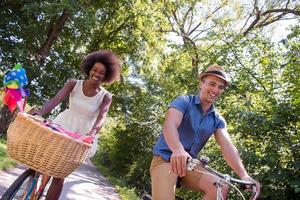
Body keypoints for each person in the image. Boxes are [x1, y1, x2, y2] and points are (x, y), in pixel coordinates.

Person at [150, 64, 261, 200]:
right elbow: (169, 125)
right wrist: (178, 150)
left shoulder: (217, 119)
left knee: (221, 186)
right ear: (201, 83)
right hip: (165, 159)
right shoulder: (184, 101)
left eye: (220, 87)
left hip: (189, 164)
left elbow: (227, 147)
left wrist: (244, 175)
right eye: (212, 84)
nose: (216, 89)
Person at [30, 50, 121, 200]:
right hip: (62, 125)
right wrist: (41, 111)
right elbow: (55, 100)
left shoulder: (106, 96)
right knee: (41, 161)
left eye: (102, 73)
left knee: (59, 176)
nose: (97, 74)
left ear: (106, 76)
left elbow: (101, 118)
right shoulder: (74, 84)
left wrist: (92, 133)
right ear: (89, 69)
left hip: (81, 135)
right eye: (95, 70)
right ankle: (28, 187)